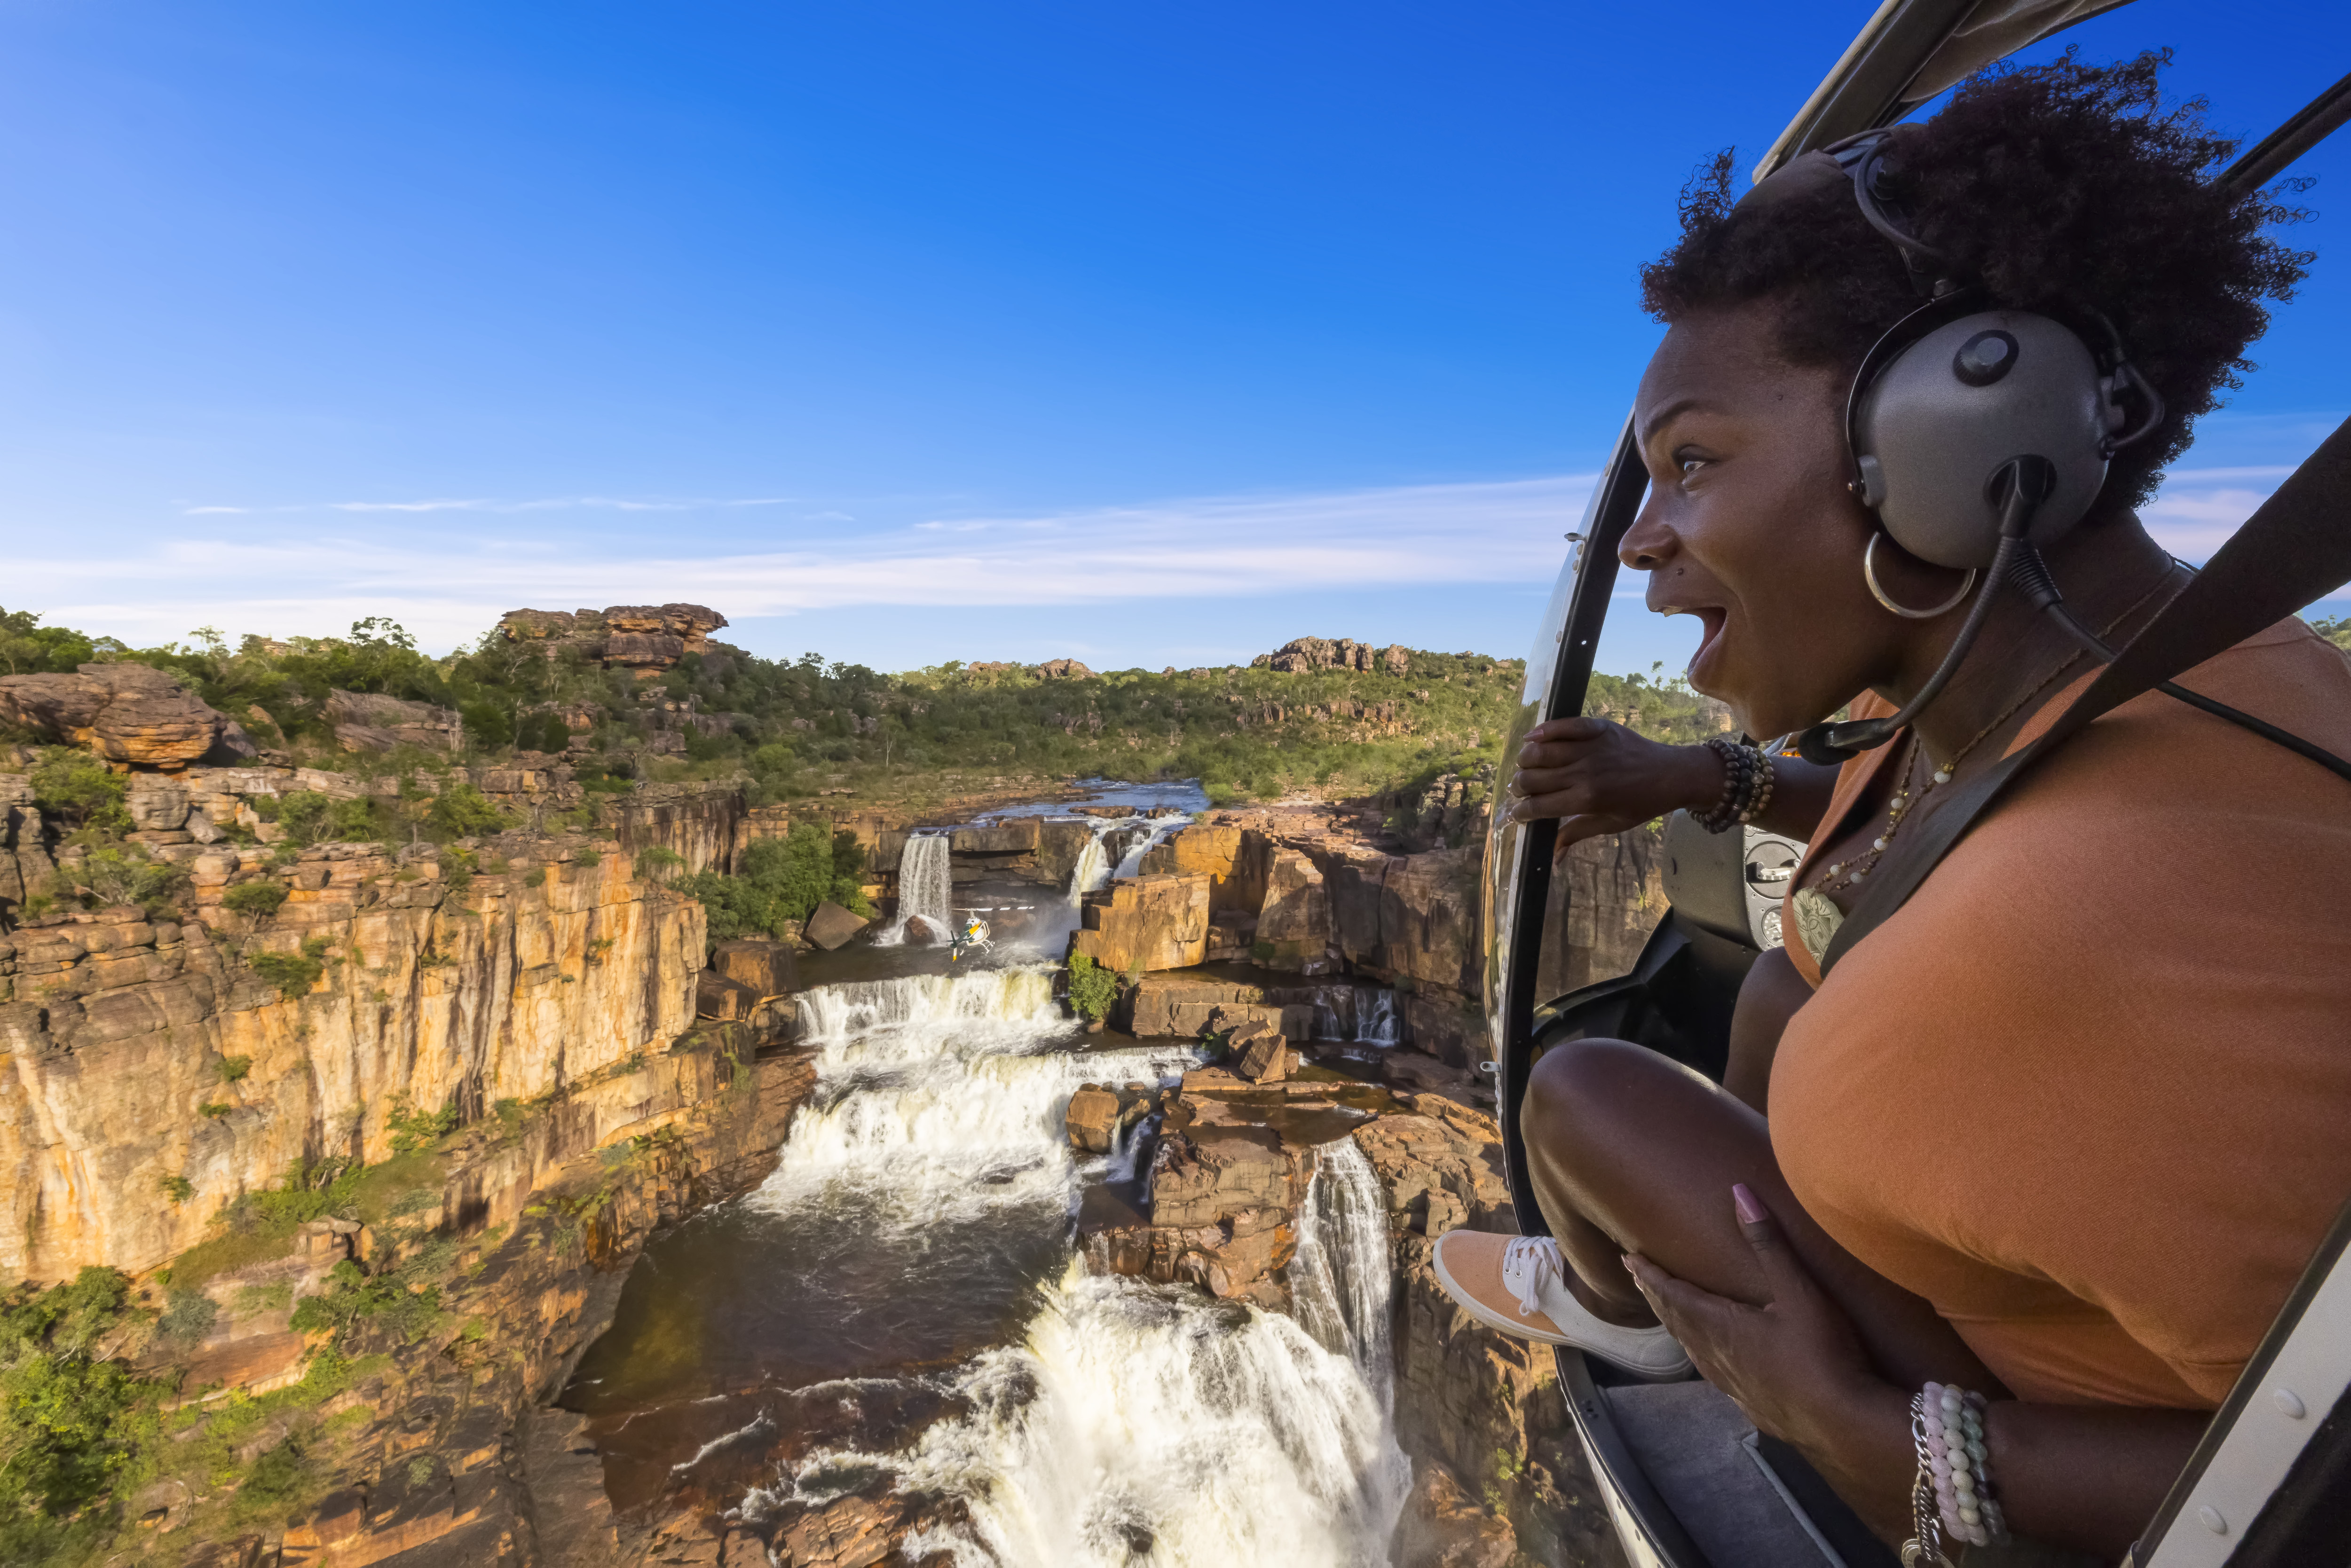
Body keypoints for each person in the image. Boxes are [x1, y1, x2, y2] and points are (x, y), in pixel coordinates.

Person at [1430, 52, 2351, 1565]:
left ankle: (1622, 1310)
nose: (1648, 542)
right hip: (1930, 1251)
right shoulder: (2196, 669)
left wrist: (1896, 1447)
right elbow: (1932, 824)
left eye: (1694, 460)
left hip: (2000, 1432)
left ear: (1949, 440)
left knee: (1582, 1094)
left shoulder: (2067, 930)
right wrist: (1705, 776)